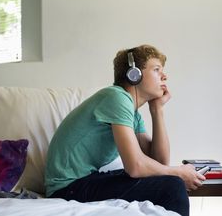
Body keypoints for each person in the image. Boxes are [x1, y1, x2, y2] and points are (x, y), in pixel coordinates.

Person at [44, 44, 205, 216]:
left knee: (169, 180)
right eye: (157, 70)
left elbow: (159, 161)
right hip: (67, 188)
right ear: (134, 74)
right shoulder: (116, 97)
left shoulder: (132, 113)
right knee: (172, 185)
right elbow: (135, 167)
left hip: (86, 181)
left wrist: (157, 110)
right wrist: (178, 173)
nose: (165, 76)